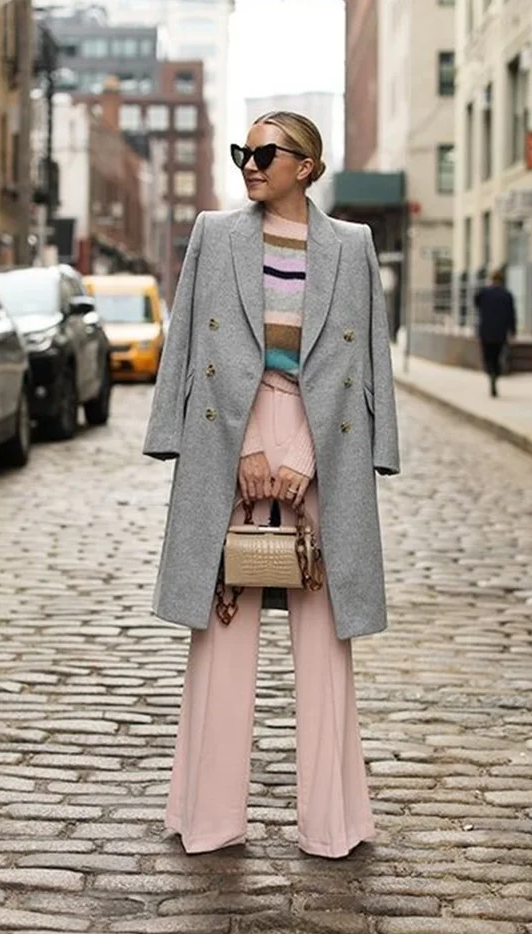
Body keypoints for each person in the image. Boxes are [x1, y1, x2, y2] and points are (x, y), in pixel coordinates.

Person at [143, 111, 400, 859]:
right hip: (233, 435)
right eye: (242, 152)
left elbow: (362, 363)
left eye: (265, 153)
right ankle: (208, 817)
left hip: (324, 447)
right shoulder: (214, 235)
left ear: (307, 166)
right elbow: (188, 340)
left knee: (327, 639)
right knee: (222, 631)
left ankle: (334, 823)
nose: (250, 165)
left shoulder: (352, 246)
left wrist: (314, 455)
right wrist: (243, 447)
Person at [474, 270, 517, 397]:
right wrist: (513, 330)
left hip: (486, 331)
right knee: (497, 355)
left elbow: (476, 303)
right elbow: (511, 314)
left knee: (487, 356)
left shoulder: (484, 293)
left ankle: (490, 374)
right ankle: (495, 374)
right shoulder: (507, 294)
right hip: (500, 331)